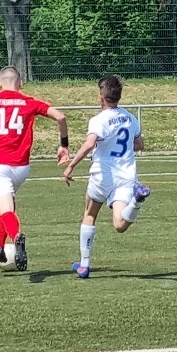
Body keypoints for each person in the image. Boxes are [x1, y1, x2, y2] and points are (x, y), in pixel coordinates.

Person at [0, 66, 69, 271]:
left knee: (6, 209)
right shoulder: (29, 102)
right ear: (20, 83)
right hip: (21, 167)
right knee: (7, 206)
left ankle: (16, 236)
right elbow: (61, 117)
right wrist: (64, 145)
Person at [61, 75, 149, 279]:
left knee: (90, 214)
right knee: (119, 224)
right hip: (126, 176)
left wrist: (71, 165)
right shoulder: (130, 118)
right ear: (119, 96)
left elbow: (90, 143)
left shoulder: (99, 120)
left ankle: (84, 265)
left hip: (103, 175)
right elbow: (139, 145)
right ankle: (136, 201)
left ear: (101, 98)